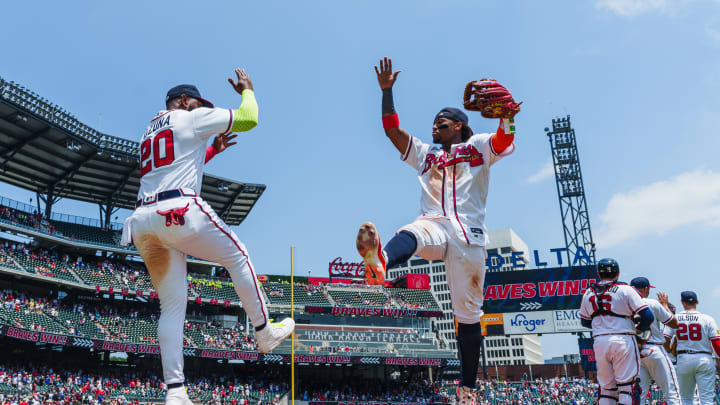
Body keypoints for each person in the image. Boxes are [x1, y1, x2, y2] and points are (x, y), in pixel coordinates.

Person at [121, 68, 294, 405]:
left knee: (171, 307)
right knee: (238, 256)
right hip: (178, 211)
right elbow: (248, 119)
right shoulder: (190, 117)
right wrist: (248, 91)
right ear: (184, 101)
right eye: (197, 102)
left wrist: (211, 151)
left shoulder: (149, 129)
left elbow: (171, 163)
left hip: (142, 221)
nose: (202, 107)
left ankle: (175, 391)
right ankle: (264, 332)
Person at [354, 57, 517, 405]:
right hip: (434, 224)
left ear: (458, 126)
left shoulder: (479, 146)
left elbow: (504, 141)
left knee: (468, 317)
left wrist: (508, 117)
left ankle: (467, 389)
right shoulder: (426, 154)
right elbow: (392, 132)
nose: (434, 127)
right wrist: (387, 92)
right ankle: (381, 261)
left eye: (441, 123)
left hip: (469, 237)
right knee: (413, 231)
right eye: (432, 123)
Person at [579, 258, 654, 405]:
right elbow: (647, 317)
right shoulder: (625, 289)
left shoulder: (588, 293)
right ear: (618, 273)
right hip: (623, 339)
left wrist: (603, 324)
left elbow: (584, 321)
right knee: (627, 387)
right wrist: (637, 329)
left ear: (599, 275)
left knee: (606, 389)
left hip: (600, 342)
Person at [629, 277, 680, 405]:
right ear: (645, 289)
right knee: (672, 393)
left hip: (635, 352)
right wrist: (665, 306)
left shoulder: (624, 304)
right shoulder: (651, 303)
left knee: (638, 397)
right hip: (654, 349)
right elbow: (674, 324)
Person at [663, 291, 720, 405]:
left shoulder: (676, 318)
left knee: (686, 398)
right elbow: (716, 342)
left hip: (683, 358)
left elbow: (665, 338)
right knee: (707, 399)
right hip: (704, 357)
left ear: (682, 302)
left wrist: (668, 349)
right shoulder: (707, 319)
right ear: (697, 302)